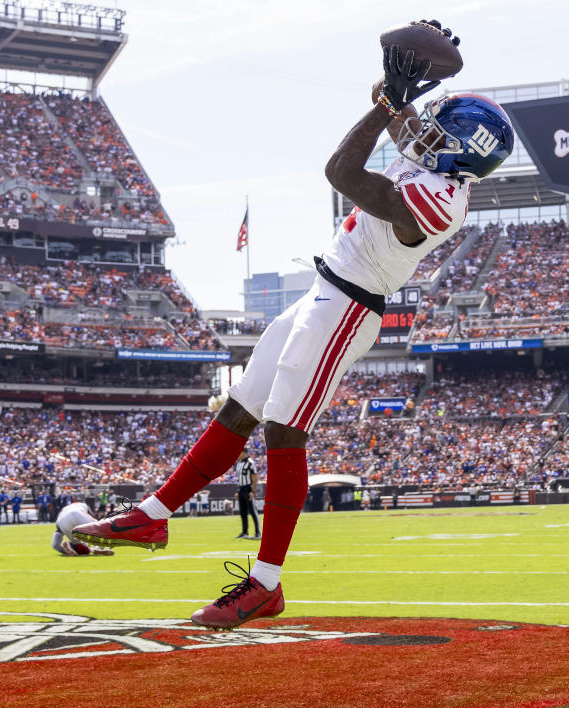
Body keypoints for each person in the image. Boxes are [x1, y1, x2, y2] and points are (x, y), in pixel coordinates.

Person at [74, 23, 513, 629]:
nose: (424, 133)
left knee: (283, 428)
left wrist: (392, 100)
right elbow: (387, 112)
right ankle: (153, 513)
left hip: (349, 305)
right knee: (239, 407)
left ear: (464, 152)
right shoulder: (436, 162)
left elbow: (342, 170)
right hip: (324, 288)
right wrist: (397, 83)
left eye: (439, 131)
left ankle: (266, 583)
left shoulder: (444, 199)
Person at [235, 448, 261, 539]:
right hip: (241, 489)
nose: (238, 454)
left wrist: (253, 491)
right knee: (243, 512)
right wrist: (238, 491)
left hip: (248, 488)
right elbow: (239, 478)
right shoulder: (239, 463)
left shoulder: (250, 462)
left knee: (253, 511)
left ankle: (258, 533)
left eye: (240, 452)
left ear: (244, 453)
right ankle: (245, 532)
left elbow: (254, 478)